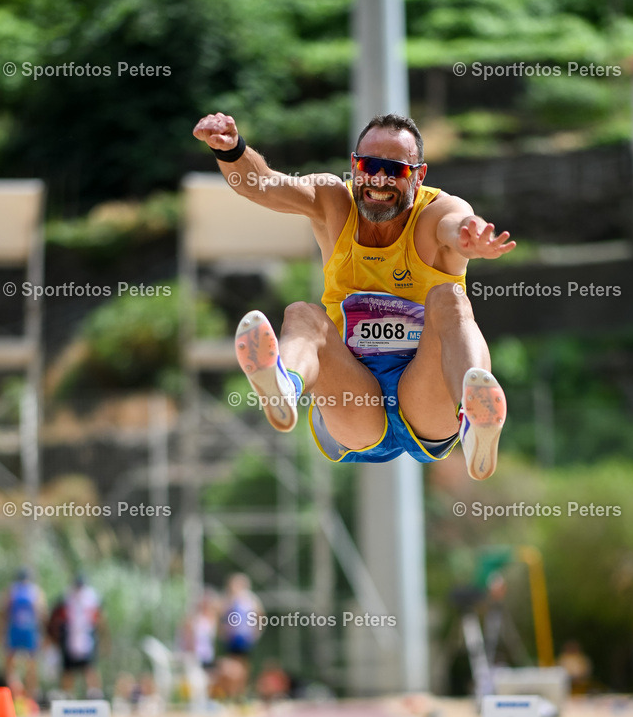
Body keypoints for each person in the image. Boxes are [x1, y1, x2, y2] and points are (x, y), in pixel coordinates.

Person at [193, 111, 515, 479]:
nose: (379, 179)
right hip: (353, 397)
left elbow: (455, 225)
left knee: (450, 300)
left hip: (426, 395)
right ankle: (285, 385)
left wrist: (467, 236)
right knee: (302, 314)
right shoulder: (332, 200)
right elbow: (262, 184)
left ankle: (474, 417)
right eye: (369, 166)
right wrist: (232, 150)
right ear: (354, 165)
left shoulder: (437, 212)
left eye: (394, 169)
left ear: (419, 175)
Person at [0, 568, 47, 700]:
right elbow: (43, 615)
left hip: (14, 632)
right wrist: (44, 635)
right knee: (32, 666)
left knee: (10, 667)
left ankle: (15, 694)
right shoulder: (36, 591)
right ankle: (31, 696)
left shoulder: (11, 591)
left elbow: (2, 615)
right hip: (30, 633)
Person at [56, 574, 107, 696]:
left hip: (87, 636)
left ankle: (94, 694)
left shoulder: (93, 597)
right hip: (70, 637)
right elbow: (57, 618)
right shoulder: (66, 597)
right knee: (68, 669)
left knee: (90, 667)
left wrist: (103, 637)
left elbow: (100, 618)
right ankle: (67, 695)